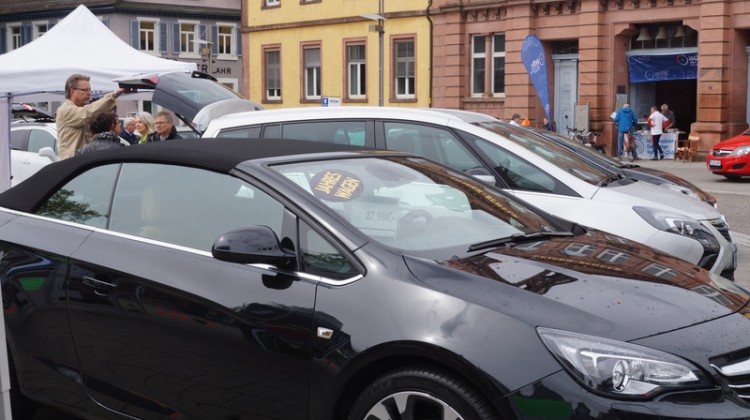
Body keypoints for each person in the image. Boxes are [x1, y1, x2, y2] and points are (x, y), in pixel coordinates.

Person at [56, 73, 132, 160]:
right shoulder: (65, 110)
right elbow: (89, 112)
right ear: (72, 91)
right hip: (71, 163)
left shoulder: (82, 109)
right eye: (85, 90)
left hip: (83, 161)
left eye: (90, 90)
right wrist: (114, 94)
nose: (89, 93)